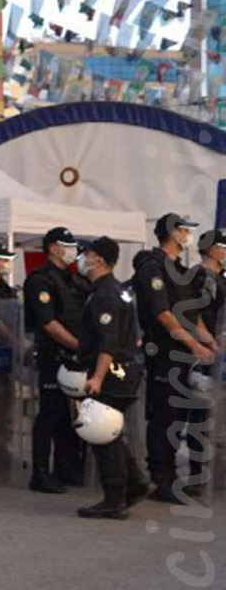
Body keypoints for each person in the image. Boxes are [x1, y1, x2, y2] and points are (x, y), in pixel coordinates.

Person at [132, 213, 216, 504]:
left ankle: (169, 475)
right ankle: (161, 478)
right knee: (164, 417)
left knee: (178, 417)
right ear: (171, 232)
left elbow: (192, 314)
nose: (187, 235)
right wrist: (194, 344)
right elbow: (163, 314)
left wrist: (210, 343)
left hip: (183, 355)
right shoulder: (152, 267)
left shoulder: (180, 270)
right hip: (164, 352)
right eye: (183, 230)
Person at [74, 237, 152, 519]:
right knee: (110, 432)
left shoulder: (105, 294)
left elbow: (108, 342)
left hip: (112, 372)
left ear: (100, 259)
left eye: (87, 254)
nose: (82, 258)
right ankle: (135, 483)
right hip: (122, 369)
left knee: (100, 432)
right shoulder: (113, 290)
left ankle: (114, 499)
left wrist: (97, 377)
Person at [22, 227, 88, 494]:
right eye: (66, 245)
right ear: (53, 248)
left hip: (73, 357)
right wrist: (79, 346)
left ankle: (66, 467)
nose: (72, 250)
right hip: (54, 355)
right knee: (50, 413)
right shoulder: (40, 280)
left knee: (67, 414)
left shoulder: (71, 279)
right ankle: (40, 473)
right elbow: (48, 323)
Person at [184, 229, 226, 498]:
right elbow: (194, 314)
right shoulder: (200, 277)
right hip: (205, 356)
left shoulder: (219, 278)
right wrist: (210, 343)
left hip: (217, 354)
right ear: (212, 250)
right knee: (200, 416)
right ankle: (197, 475)